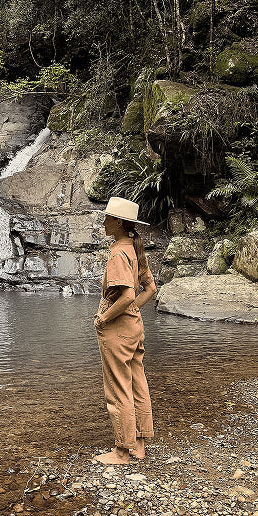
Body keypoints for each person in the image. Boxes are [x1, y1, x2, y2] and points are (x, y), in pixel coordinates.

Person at [93, 197, 158, 465]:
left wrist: (103, 318)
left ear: (119, 222)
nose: (104, 222)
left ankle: (121, 451)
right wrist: (132, 311)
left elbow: (128, 295)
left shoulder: (118, 253)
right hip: (134, 327)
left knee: (118, 388)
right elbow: (150, 289)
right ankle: (138, 446)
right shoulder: (134, 248)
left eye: (108, 218)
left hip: (117, 330)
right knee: (137, 383)